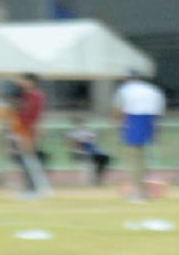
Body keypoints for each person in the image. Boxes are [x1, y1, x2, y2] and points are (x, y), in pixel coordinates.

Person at [112, 70, 166, 202]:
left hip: (134, 118)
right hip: (149, 119)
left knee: (135, 158)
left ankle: (137, 191)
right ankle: (143, 189)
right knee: (143, 157)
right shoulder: (152, 89)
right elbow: (159, 112)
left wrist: (118, 128)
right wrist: (156, 131)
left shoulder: (125, 89)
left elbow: (118, 110)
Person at [65, 117, 112, 185]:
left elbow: (93, 143)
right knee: (94, 156)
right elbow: (72, 145)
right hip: (80, 153)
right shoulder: (72, 133)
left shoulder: (88, 131)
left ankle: (98, 177)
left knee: (104, 157)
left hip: (91, 152)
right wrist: (79, 145)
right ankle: (96, 178)